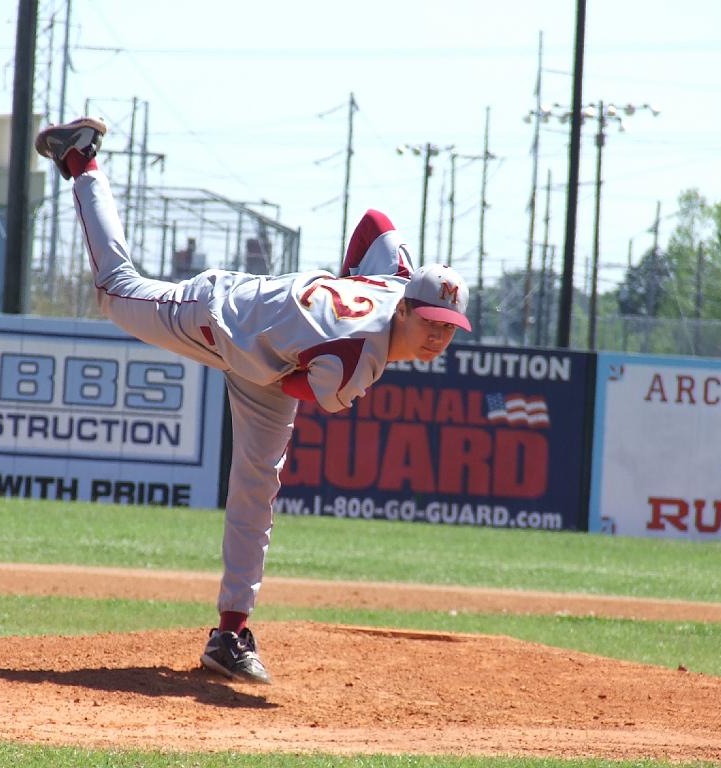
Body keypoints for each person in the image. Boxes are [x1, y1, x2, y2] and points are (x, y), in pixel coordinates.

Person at [35, 117, 471, 684]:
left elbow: (375, 225)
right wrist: (320, 330)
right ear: (407, 310)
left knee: (257, 488)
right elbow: (298, 382)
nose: (439, 336)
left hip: (271, 347)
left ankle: (230, 633)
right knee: (116, 291)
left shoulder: (396, 280)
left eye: (450, 326)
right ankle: (80, 162)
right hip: (221, 319)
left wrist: (341, 291)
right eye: (431, 322)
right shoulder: (356, 362)